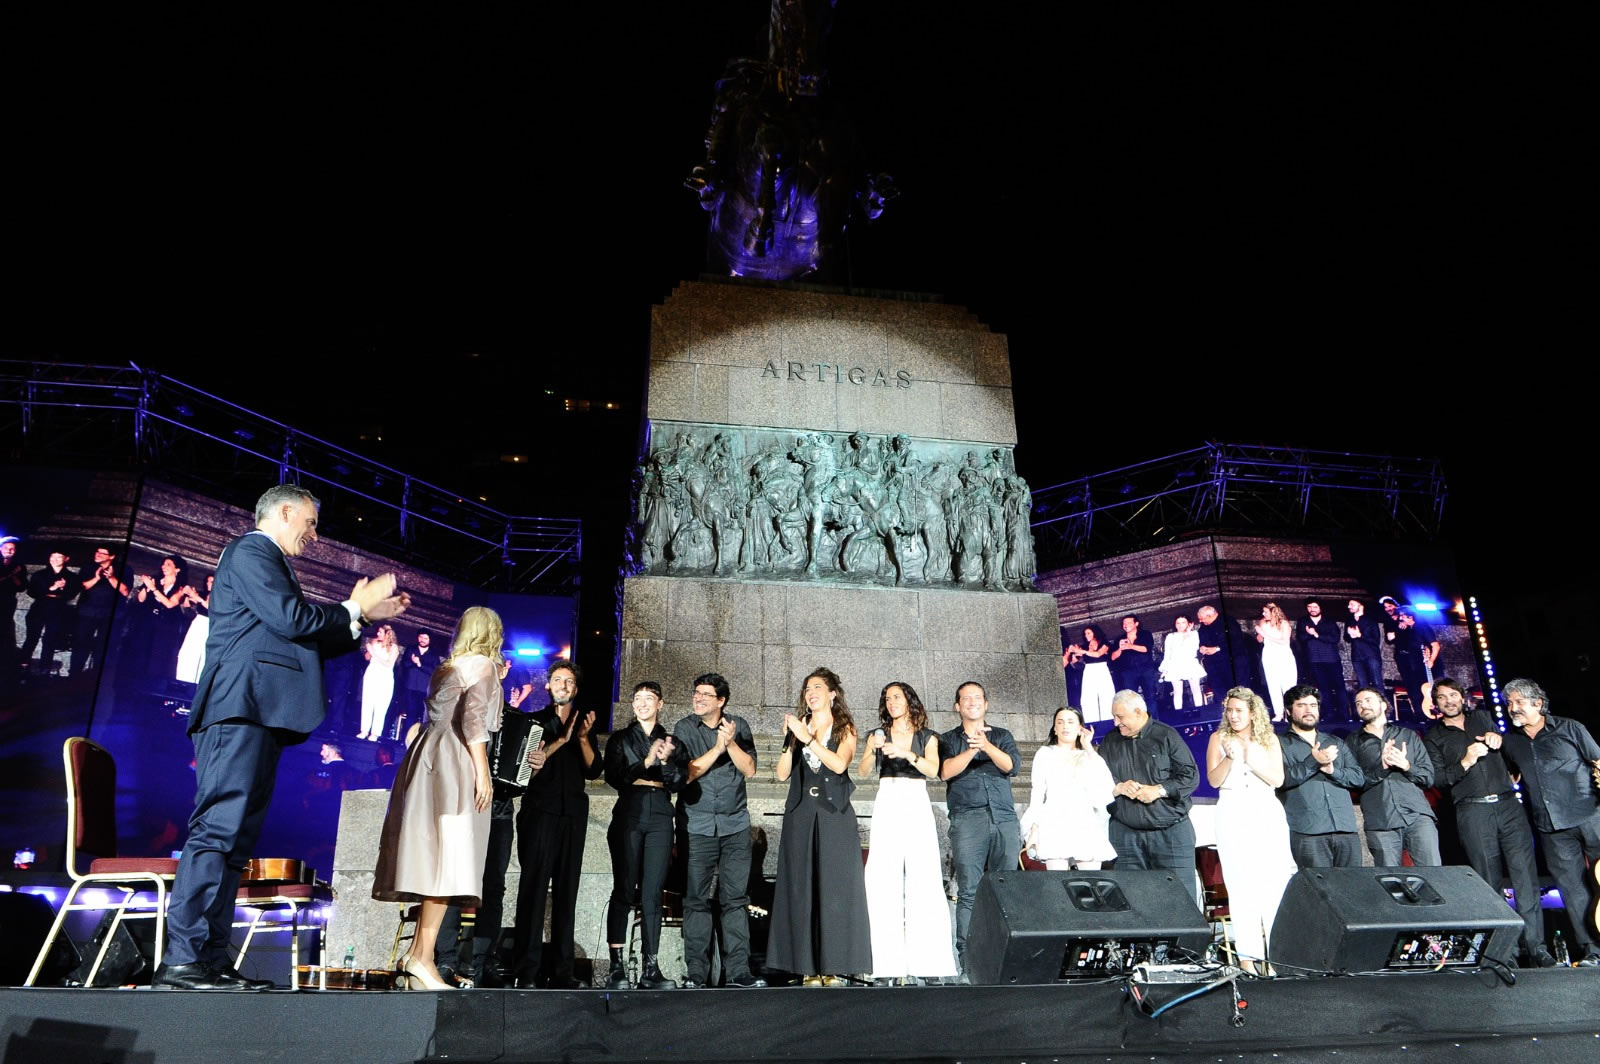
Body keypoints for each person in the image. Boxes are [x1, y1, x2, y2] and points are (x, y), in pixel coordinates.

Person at [155, 484, 409, 991]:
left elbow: (300, 635)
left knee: (234, 842)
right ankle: (183, 960)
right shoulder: (251, 550)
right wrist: (352, 606)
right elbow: (292, 619)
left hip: (257, 716)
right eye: (310, 523)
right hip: (238, 711)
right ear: (285, 511)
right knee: (218, 833)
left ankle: (207, 960)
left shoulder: (269, 561)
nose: (314, 535)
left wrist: (360, 617)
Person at [371, 606, 505, 990]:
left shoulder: (447, 666)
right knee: (450, 861)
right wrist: (482, 772)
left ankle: (418, 956)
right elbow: (474, 721)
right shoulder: (483, 665)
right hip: (454, 760)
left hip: (427, 756)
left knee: (436, 860)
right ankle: (423, 958)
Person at [1420, 678, 1553, 967]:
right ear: (1436, 703)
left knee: (1525, 877)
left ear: (1462, 697)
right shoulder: (1433, 737)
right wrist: (1465, 761)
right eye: (1442, 697)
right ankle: (1503, 954)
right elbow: (1437, 779)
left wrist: (1499, 740)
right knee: (1488, 882)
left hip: (1508, 806)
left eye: (1453, 694)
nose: (1449, 700)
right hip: (1473, 811)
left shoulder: (1482, 718)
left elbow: (1511, 752)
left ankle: (1536, 948)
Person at [769, 667, 873, 985]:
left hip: (833, 815)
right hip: (801, 813)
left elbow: (840, 765)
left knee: (835, 888)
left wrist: (809, 740)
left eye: (817, 687)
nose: (811, 693)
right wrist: (791, 741)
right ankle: (806, 968)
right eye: (807, 689)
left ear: (832, 694)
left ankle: (833, 966)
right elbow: (782, 774)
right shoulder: (800, 727)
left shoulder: (845, 728)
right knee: (802, 888)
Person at [509, 658, 601, 988]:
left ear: (576, 689)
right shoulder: (533, 722)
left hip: (572, 814)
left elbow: (594, 770)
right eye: (558, 679)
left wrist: (584, 739)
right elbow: (522, 774)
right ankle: (526, 971)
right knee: (533, 890)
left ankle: (564, 972)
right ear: (548, 685)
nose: (564, 685)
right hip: (539, 813)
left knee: (566, 891)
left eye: (569, 681)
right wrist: (554, 745)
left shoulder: (584, 724)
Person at [670, 672, 766, 988]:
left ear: (721, 701)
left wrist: (731, 742)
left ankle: (738, 971)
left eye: (705, 694)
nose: (698, 698)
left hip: (735, 825)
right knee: (695, 899)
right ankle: (697, 973)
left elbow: (749, 769)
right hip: (696, 825)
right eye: (696, 692)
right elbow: (687, 773)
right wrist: (717, 747)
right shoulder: (684, 728)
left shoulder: (739, 725)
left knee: (735, 899)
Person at [857, 680, 955, 984]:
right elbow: (862, 771)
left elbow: (933, 770)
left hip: (915, 798)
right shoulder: (878, 734)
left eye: (897, 697)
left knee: (924, 876)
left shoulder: (927, 737)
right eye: (887, 698)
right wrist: (871, 750)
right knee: (882, 878)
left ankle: (929, 964)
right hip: (887, 797)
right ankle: (884, 965)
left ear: (909, 701)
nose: (891, 702)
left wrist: (905, 752)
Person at [1500, 678, 1600, 966]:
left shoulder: (1570, 728)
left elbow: (1597, 761)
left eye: (1519, 702)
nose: (1513, 708)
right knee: (1573, 890)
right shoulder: (1511, 742)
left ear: (1538, 703)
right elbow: (1511, 776)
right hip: (1551, 828)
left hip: (1590, 815)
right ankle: (1593, 950)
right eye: (1509, 703)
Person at [1205, 688, 1296, 974]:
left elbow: (1277, 779)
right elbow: (1214, 780)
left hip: (1264, 809)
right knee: (1240, 884)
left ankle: (1277, 956)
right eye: (1229, 710)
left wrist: (1250, 757)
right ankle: (1248, 957)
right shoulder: (1218, 738)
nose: (1233, 716)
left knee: (1274, 882)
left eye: (1239, 711)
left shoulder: (1269, 739)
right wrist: (1230, 758)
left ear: (1253, 713)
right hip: (1232, 810)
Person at [601, 680, 682, 990]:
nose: (643, 703)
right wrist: (645, 762)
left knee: (652, 893)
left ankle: (651, 968)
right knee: (624, 889)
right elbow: (614, 777)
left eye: (649, 698)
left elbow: (680, 781)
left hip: (660, 812)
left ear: (660, 704)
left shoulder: (672, 740)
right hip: (629, 812)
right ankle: (616, 967)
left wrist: (665, 762)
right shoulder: (620, 738)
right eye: (638, 698)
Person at [1098, 690, 1201, 905]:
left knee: (1180, 902)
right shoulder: (1110, 741)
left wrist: (1159, 790)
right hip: (1126, 838)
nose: (1116, 723)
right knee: (1130, 904)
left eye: (1120, 717)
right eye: (1114, 717)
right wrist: (1118, 786)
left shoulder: (1166, 735)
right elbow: (1097, 779)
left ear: (1138, 712)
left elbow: (1190, 777)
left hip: (1171, 835)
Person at [1347, 686, 1439, 865]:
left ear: (1383, 705)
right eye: (1358, 703)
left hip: (1417, 816)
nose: (1363, 705)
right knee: (1390, 877)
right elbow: (1353, 782)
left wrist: (1406, 765)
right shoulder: (1353, 741)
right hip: (1381, 820)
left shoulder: (1407, 735)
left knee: (1434, 872)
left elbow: (1428, 777)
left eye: (1368, 700)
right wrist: (1382, 768)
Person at [1277, 684, 1364, 868]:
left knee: (1352, 884)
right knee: (1318, 885)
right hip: (1308, 832)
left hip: (1345, 829)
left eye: (1313, 705)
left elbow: (1358, 778)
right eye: (1301, 705)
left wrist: (1333, 771)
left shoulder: (1335, 742)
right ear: (1288, 711)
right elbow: (1280, 780)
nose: (1309, 710)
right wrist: (1313, 761)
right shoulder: (1278, 744)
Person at [1020, 706, 1116, 870]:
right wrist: (1034, 830)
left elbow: (1105, 787)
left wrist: (1088, 747)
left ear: (1080, 728)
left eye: (1071, 722)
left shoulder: (1089, 755)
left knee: (1090, 880)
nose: (1065, 726)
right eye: (1060, 722)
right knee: (1057, 881)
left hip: (1085, 821)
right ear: (1055, 729)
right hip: (1053, 821)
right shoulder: (1045, 754)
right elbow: (1037, 794)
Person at [73, 545, 130, 677]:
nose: (97, 554)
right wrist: (97, 578)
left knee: (104, 646)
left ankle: (97, 677)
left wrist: (111, 577)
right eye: (97, 552)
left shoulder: (125, 569)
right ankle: (74, 675)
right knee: (80, 644)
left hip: (111, 615)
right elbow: (82, 586)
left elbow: (125, 591)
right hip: (87, 612)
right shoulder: (88, 566)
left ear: (112, 556)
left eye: (102, 553)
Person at [130, 555, 188, 681]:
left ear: (177, 569)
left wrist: (154, 589)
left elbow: (170, 604)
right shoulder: (155, 580)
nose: (163, 566)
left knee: (158, 654)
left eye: (168, 564)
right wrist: (146, 587)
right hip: (149, 620)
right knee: (141, 651)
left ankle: (153, 682)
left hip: (166, 625)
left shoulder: (181, 587)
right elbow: (141, 599)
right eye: (163, 564)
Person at [22, 550, 77, 676]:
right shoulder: (39, 574)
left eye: (59, 557)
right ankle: (23, 664)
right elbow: (31, 592)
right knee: (32, 637)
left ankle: (45, 668)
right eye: (53, 556)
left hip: (58, 608)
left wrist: (63, 588)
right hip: (40, 606)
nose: (55, 559)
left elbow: (72, 594)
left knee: (50, 639)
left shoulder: (71, 577)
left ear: (66, 559)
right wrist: (51, 588)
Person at [1296, 599, 1348, 720]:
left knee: (1339, 686)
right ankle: (1329, 714)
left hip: (1331, 659)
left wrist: (1316, 634)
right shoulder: (1303, 621)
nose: (1312, 609)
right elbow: (1301, 637)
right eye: (1309, 607)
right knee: (1323, 687)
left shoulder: (1329, 621)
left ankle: (1345, 714)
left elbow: (1334, 638)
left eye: (1315, 607)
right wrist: (1310, 634)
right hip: (1314, 659)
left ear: (1320, 608)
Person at [1392, 608, 1441, 717]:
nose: (1401, 618)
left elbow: (1435, 646)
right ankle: (1421, 714)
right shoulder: (1409, 629)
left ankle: (1435, 712)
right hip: (1414, 663)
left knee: (1428, 689)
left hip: (1425, 664)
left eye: (1403, 616)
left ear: (1411, 617)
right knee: (1416, 689)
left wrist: (1431, 660)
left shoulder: (1422, 627)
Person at [357, 624, 401, 741]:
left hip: (384, 678)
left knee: (381, 705)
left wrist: (373, 653)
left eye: (380, 632)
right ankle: (364, 730)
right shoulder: (374, 642)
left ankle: (375, 733)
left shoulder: (393, 648)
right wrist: (369, 650)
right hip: (371, 674)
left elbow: (389, 664)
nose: (378, 634)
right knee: (367, 703)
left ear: (387, 634)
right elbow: (367, 658)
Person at [1254, 603, 1296, 722]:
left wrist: (1264, 634)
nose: (1263, 614)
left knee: (1287, 685)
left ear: (1273, 612)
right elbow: (1260, 640)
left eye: (1265, 612)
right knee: (1273, 685)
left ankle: (1290, 713)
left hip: (1283, 657)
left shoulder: (1284, 624)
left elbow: (1284, 641)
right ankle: (1278, 713)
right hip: (1269, 657)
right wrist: (1259, 633)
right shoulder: (1265, 624)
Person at [1065, 625, 1115, 723]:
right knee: (1088, 696)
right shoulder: (1084, 646)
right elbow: (1076, 659)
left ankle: (1109, 720)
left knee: (1106, 694)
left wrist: (1082, 651)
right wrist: (1073, 653)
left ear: (1095, 633)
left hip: (1102, 669)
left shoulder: (1104, 644)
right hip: (1089, 671)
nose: (1086, 635)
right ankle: (1091, 721)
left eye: (1088, 633)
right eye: (1085, 634)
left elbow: (1098, 654)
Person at [1158, 615, 1206, 712]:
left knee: (1196, 689)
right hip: (1175, 664)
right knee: (1177, 692)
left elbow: (1194, 648)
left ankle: (1200, 712)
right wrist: (1165, 669)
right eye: (1178, 623)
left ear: (1189, 624)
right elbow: (1168, 654)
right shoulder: (1170, 636)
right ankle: (1178, 713)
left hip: (1190, 663)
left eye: (1183, 622)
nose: (1180, 625)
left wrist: (1188, 633)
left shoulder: (1194, 634)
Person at [1110, 615, 1157, 708]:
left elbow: (1146, 649)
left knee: (1150, 697)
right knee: (1130, 699)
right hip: (1128, 673)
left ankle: (1152, 716)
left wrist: (1130, 646)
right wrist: (1120, 648)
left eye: (1129, 623)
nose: (1126, 625)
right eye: (1124, 623)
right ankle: (1135, 717)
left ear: (1136, 623)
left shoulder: (1145, 634)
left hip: (1146, 670)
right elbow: (1113, 657)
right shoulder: (1120, 639)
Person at [174, 574, 214, 684]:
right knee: (188, 652)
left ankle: (197, 684)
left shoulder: (221, 596)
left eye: (212, 582)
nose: (208, 584)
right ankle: (183, 681)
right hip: (198, 622)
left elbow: (210, 607)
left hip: (208, 624)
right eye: (208, 581)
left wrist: (197, 597)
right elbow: (188, 607)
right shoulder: (203, 594)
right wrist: (188, 597)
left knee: (203, 656)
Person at [1195, 605, 1236, 707]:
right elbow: (1201, 640)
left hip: (1229, 662)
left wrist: (1217, 648)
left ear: (1209, 616)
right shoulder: (1203, 626)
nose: (1200, 621)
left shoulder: (1228, 621)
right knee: (1217, 688)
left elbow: (1235, 641)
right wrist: (1202, 647)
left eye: (1201, 618)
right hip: (1213, 664)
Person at [1343, 599, 1384, 694]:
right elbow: (1346, 638)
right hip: (1357, 656)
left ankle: (1381, 703)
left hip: (1371, 656)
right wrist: (1351, 636)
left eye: (1352, 604)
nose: (1349, 606)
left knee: (1377, 683)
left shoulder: (1370, 620)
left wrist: (1360, 635)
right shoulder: (1349, 620)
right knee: (1362, 684)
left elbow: (1376, 640)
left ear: (1360, 606)